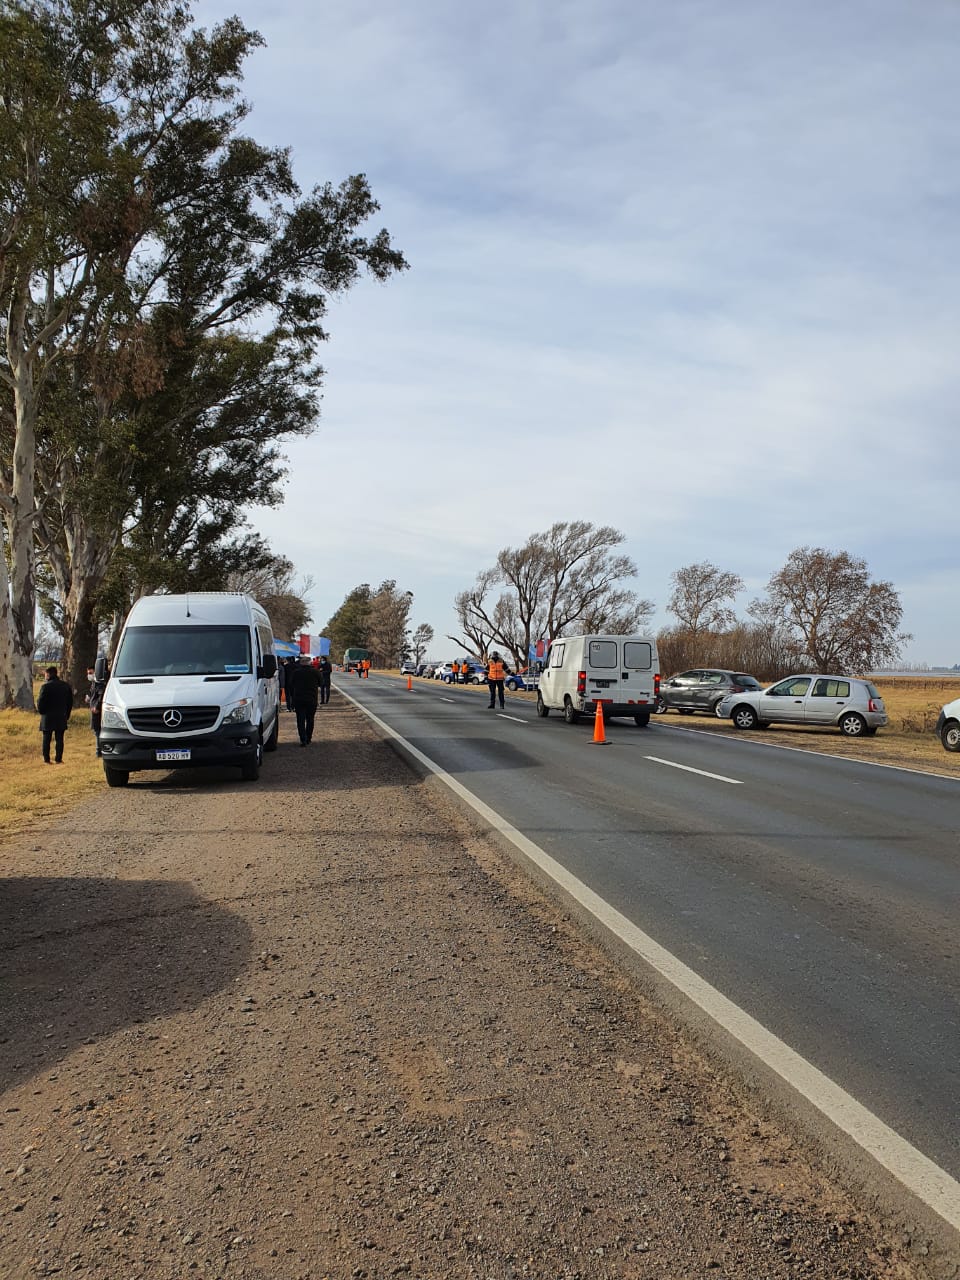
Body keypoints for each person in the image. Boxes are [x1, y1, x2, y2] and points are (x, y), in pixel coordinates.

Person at [37, 665, 74, 764]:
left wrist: (41, 711)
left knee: (46, 739)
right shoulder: (65, 686)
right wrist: (67, 714)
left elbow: (40, 702)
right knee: (59, 739)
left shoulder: (45, 686)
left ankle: (47, 759)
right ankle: (58, 759)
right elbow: (70, 702)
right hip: (61, 716)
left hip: (47, 716)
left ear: (48, 674)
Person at [289, 654, 320, 745]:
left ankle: (303, 739)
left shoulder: (296, 672)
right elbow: (321, 682)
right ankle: (309, 738)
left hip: (299, 698)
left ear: (301, 663)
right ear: (310, 663)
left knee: (300, 720)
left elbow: (291, 684)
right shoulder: (315, 672)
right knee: (310, 719)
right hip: (312, 698)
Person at [86, 661, 109, 756]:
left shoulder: (100, 683)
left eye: (91, 673)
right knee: (96, 731)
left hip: (97, 710)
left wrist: (96, 706)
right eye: (88, 674)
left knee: (98, 731)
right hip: (94, 708)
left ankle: (99, 750)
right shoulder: (94, 683)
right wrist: (88, 697)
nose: (89, 675)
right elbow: (93, 693)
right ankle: (99, 749)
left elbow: (101, 695)